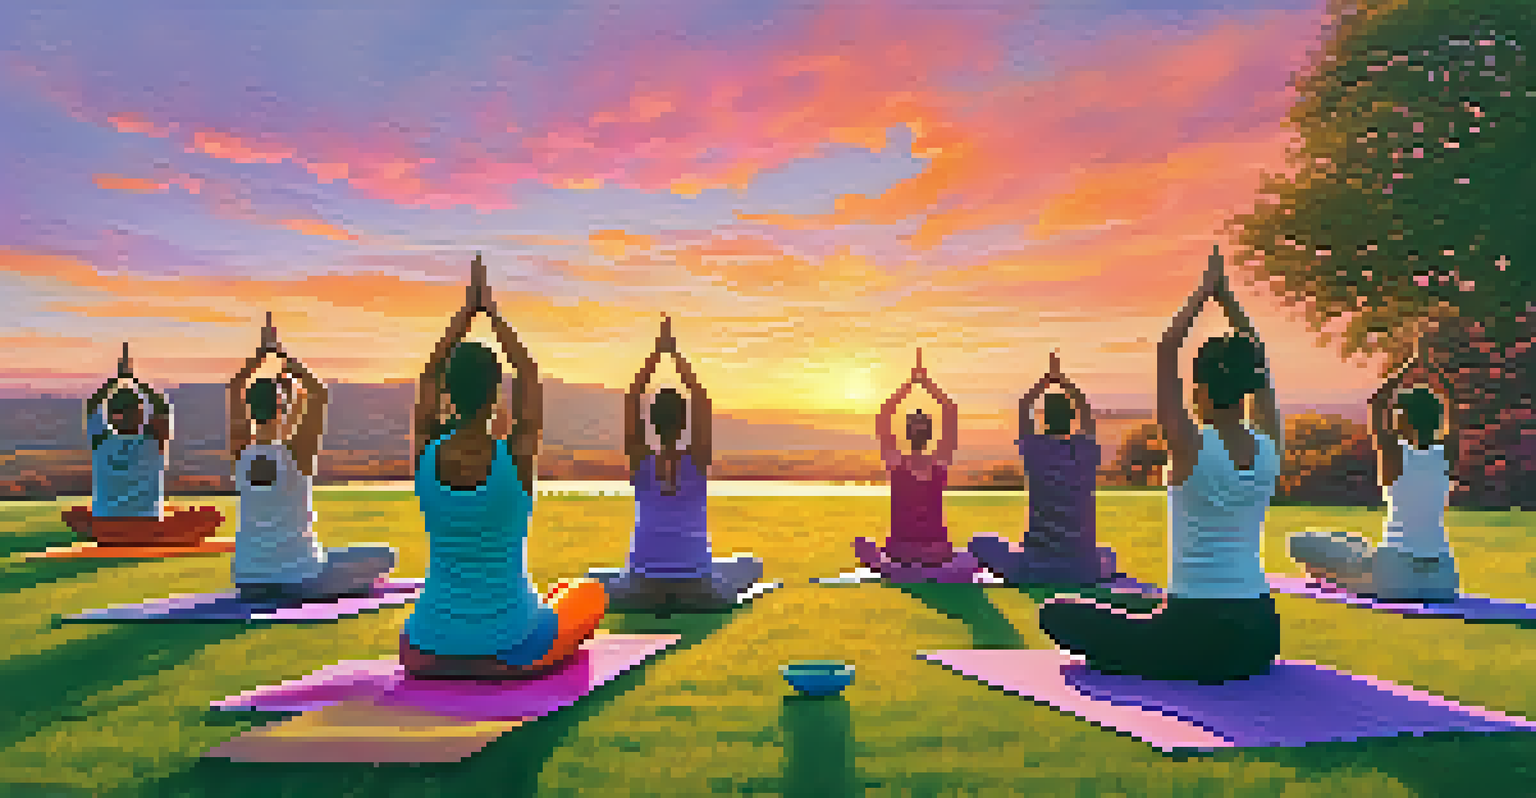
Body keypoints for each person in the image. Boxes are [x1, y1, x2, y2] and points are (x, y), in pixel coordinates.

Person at [1037, 246, 1283, 684]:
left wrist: (1204, 294)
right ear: (1248, 387)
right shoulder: (1269, 446)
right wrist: (1228, 302)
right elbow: (1258, 362)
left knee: (1058, 613)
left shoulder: (1189, 444)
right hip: (1261, 632)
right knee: (1135, 602)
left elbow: (1167, 349)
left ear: (1202, 389)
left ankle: (1146, 650)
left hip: (1195, 633)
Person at [400, 254, 606, 679]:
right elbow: (529, 376)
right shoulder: (514, 455)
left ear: (448, 394)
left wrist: (464, 316)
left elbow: (428, 376)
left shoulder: (425, 451)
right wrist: (492, 313)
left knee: (552, 597)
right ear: (497, 394)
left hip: (427, 648)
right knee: (589, 592)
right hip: (510, 646)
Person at [586, 315, 765, 611]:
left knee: (593, 577)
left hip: (640, 589)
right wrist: (676, 355)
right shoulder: (696, 459)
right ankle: (712, 585)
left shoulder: (641, 460)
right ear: (684, 424)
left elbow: (633, 396)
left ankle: (662, 587)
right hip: (698, 589)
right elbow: (701, 400)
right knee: (751, 565)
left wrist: (657, 354)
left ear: (652, 423)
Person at [228, 314, 397, 602]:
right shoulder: (297, 454)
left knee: (332, 556)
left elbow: (235, 388)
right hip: (300, 579)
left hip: (248, 579)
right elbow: (319, 393)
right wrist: (283, 356)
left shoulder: (242, 451)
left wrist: (260, 357)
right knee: (385, 556)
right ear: (282, 407)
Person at [1288, 336, 1460, 601]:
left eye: (1398, 414)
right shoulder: (1446, 454)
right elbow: (1455, 406)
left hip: (1395, 577)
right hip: (1443, 580)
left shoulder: (1395, 452)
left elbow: (1377, 402)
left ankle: (1325, 575)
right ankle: (1337, 571)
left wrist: (1410, 365)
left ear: (1407, 421)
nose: (1393, 418)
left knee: (1301, 543)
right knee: (1357, 547)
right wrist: (1433, 369)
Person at [969, 351, 1118, 585]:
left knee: (978, 542)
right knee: (1109, 553)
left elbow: (1023, 409)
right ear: (1072, 418)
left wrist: (1043, 384)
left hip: (1036, 568)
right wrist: (1066, 384)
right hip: (1083, 570)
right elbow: (1087, 415)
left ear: (1044, 420)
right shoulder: (1085, 452)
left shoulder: (1035, 450)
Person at [65, 343, 224, 544]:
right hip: (147, 519)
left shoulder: (101, 442)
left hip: (105, 521)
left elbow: (92, 406)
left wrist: (116, 380)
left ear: (110, 416)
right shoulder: (153, 441)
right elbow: (162, 407)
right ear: (141, 414)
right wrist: (134, 380)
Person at [853, 349, 981, 583]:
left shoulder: (896, 463)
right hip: (937, 555)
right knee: (974, 552)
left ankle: (901, 570)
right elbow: (950, 412)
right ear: (930, 435)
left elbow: (884, 414)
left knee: (861, 544)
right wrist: (927, 384)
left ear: (907, 433)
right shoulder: (939, 463)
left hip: (901, 555)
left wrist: (910, 384)